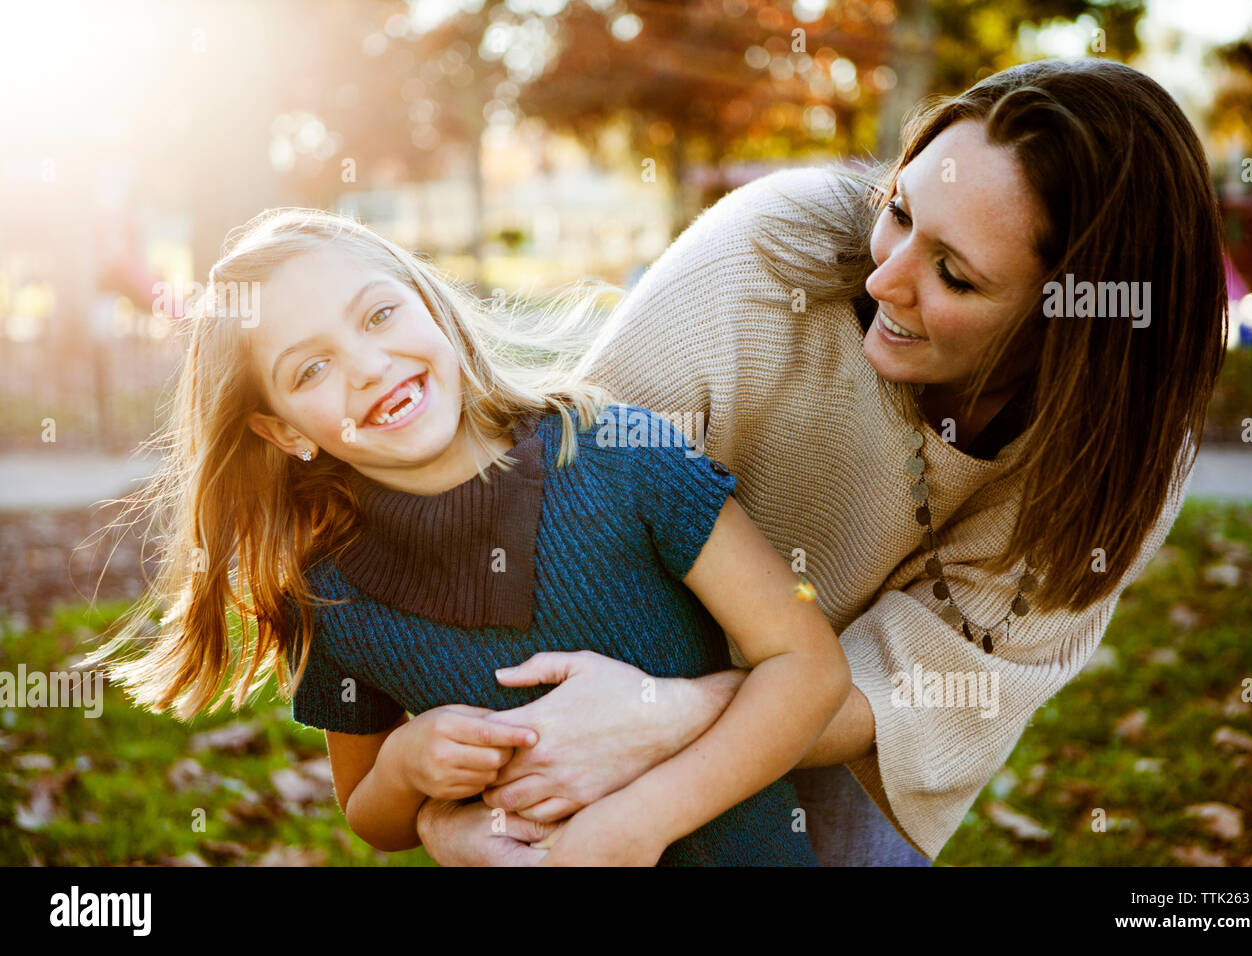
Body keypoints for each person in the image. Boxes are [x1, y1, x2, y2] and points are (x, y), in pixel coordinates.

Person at [414, 57, 1227, 866]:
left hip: (842, 734)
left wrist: (674, 716)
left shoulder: (1117, 464)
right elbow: (572, 530)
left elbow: (916, 689)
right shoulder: (767, 258)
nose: (886, 277)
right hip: (611, 657)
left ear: (1073, 325)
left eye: (953, 275)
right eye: (900, 212)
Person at [87, 206, 853, 866]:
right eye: (312, 367)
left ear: (430, 304)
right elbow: (367, 812)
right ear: (285, 433)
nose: (369, 365)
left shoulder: (620, 455)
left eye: (380, 315)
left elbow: (808, 668)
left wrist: (637, 823)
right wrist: (408, 765)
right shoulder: (333, 593)